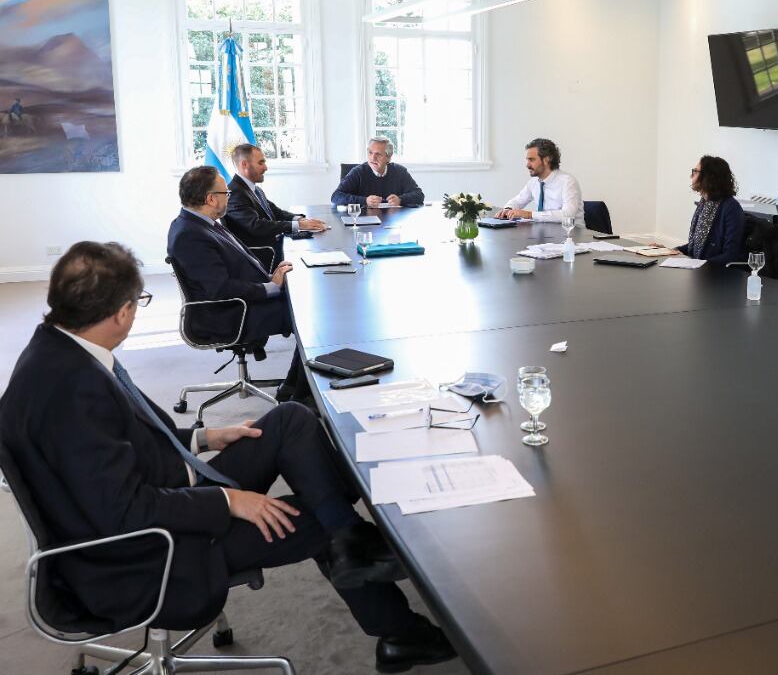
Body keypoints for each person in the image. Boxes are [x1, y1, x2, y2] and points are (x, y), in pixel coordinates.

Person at [0, 242, 457, 671]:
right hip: (142, 551)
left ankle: (350, 534)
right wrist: (228, 501)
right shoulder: (72, 391)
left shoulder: (61, 348)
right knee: (312, 521)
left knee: (291, 420)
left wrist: (204, 437)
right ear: (122, 312)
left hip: (160, 490)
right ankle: (397, 628)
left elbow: (121, 444)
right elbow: (123, 512)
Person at [168, 166, 306, 400]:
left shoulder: (203, 223)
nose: (229, 197)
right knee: (306, 316)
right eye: (226, 193)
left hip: (241, 302)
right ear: (211, 199)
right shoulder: (189, 234)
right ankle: (300, 393)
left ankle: (294, 386)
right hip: (230, 313)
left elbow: (236, 263)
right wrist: (271, 287)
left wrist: (271, 275)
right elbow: (219, 289)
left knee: (303, 302)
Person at [224, 143, 327, 264]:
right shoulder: (235, 193)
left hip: (276, 247)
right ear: (244, 164)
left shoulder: (255, 189)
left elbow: (275, 212)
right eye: (261, 163)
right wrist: (297, 225)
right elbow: (256, 226)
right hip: (263, 257)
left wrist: (299, 220)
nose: (265, 168)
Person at [674, 155, 746, 266]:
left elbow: (730, 255)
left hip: (715, 273)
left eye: (695, 171)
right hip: (700, 269)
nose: (691, 175)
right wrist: (671, 251)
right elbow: (695, 245)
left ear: (708, 177)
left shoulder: (731, 208)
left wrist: (697, 264)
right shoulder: (704, 203)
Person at [496, 138, 582, 222]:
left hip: (570, 230)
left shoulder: (567, 182)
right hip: (543, 229)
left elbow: (568, 214)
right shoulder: (534, 182)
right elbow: (518, 200)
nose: (527, 165)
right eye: (527, 160)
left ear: (547, 160)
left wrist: (530, 215)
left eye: (531, 160)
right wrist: (508, 209)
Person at [331, 137, 424, 208]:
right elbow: (336, 196)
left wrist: (400, 200)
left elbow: (419, 195)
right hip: (364, 222)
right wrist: (365, 201)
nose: (372, 158)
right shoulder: (358, 172)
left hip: (393, 221)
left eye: (378, 154)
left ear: (388, 157)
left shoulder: (400, 171)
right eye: (370, 153)